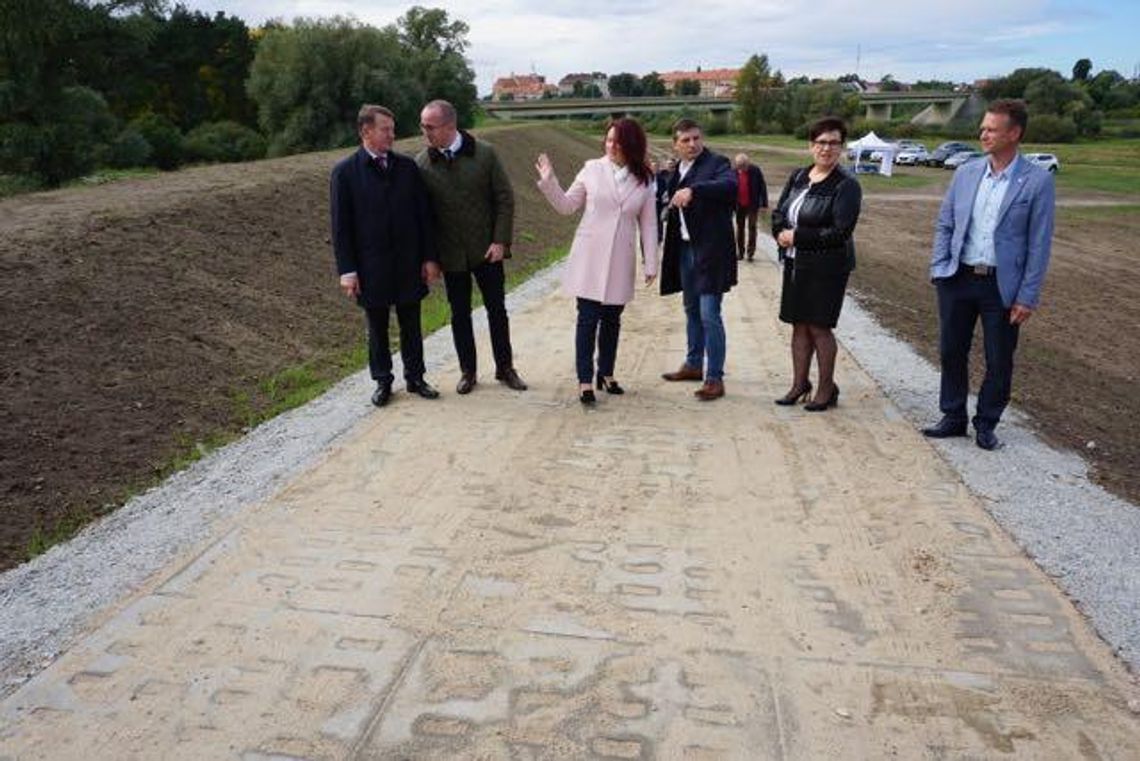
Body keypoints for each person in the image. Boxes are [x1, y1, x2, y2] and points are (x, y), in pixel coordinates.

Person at [922, 99, 1055, 450]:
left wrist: (1027, 296)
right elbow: (946, 222)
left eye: (992, 129)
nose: (983, 134)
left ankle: (986, 423)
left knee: (999, 359)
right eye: (983, 127)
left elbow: (1039, 244)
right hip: (958, 277)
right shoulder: (966, 172)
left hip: (1002, 286)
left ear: (1014, 133)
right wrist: (940, 267)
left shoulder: (1037, 181)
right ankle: (952, 416)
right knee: (952, 350)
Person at [534, 118, 660, 405]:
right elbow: (566, 206)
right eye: (608, 139)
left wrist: (651, 261)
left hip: (621, 257)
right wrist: (549, 181)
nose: (611, 146)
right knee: (587, 319)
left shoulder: (646, 179)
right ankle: (584, 380)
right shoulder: (592, 169)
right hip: (589, 256)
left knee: (612, 320)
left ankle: (607, 372)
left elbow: (650, 225)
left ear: (632, 145)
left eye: (618, 141)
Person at [329, 104, 441, 407]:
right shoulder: (345, 173)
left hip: (408, 262)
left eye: (392, 129)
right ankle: (383, 382)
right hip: (370, 266)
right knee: (377, 328)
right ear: (366, 131)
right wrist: (348, 271)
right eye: (386, 130)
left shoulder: (407, 168)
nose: (392, 135)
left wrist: (429, 258)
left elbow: (423, 217)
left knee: (412, 325)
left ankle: (416, 378)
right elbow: (341, 228)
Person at [415, 99, 527, 395]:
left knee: (497, 311)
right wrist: (430, 257)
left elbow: (504, 198)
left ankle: (505, 368)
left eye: (430, 127)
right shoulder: (422, 164)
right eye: (423, 126)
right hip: (450, 255)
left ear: (450, 126)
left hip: (487, 251)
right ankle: (468, 371)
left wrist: (500, 240)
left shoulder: (485, 154)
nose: (425, 132)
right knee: (459, 314)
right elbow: (423, 216)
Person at [771, 116, 862, 412]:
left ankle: (826, 389)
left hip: (828, 266)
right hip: (797, 264)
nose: (827, 148)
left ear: (842, 147)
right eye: (821, 142)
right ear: (811, 145)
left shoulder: (846, 185)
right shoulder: (799, 176)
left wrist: (797, 236)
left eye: (834, 142)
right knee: (799, 325)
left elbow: (839, 231)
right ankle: (799, 384)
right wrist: (780, 234)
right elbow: (779, 213)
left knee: (819, 327)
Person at [659, 118, 738, 401]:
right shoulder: (676, 170)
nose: (692, 144)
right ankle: (694, 364)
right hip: (684, 249)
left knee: (709, 314)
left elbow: (729, 187)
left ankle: (714, 378)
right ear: (675, 144)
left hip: (711, 251)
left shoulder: (717, 163)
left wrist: (695, 190)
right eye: (686, 140)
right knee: (691, 309)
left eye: (696, 138)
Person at [733, 153, 769, 261]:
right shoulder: (733, 172)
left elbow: (762, 186)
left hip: (752, 204)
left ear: (748, 163)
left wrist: (764, 203)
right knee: (740, 229)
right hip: (739, 205)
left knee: (752, 228)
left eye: (744, 165)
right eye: (740, 165)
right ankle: (740, 252)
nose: (743, 168)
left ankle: (750, 253)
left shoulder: (755, 170)